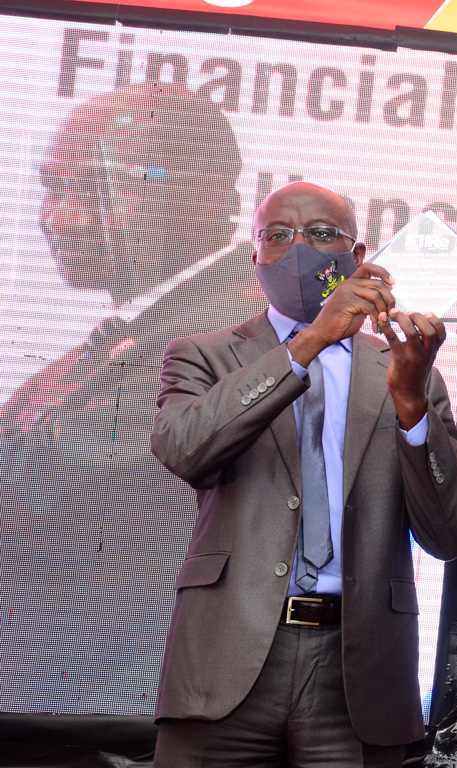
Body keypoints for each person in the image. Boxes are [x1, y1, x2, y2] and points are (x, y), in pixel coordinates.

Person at [149, 181, 457, 767]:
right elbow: (185, 448)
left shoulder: (407, 370)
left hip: (360, 671)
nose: (298, 248)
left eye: (322, 235)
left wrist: (411, 409)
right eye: (277, 236)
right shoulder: (203, 354)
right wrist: (310, 342)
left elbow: (449, 536)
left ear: (358, 259)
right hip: (227, 661)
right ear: (256, 257)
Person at [0, 82, 266, 713]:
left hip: (133, 706)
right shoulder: (126, 340)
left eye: (72, 187)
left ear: (183, 195)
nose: (47, 215)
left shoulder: (244, 339)